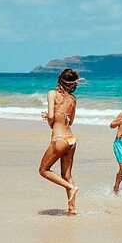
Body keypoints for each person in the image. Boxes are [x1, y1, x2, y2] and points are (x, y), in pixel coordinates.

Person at [38, 69, 80, 215]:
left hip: (59, 139)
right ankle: (72, 208)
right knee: (67, 174)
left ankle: (71, 187)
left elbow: (51, 117)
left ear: (59, 80)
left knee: (43, 170)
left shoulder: (52, 94)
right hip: (71, 140)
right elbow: (71, 121)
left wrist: (49, 119)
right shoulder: (73, 99)